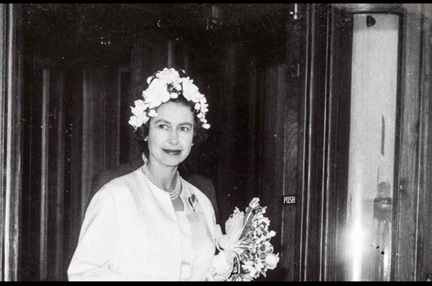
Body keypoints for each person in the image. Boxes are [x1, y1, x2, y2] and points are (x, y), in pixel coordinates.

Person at [67, 67, 231, 281]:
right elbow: (84, 274)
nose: (174, 139)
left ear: (194, 135)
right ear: (146, 131)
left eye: (183, 128)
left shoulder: (201, 201)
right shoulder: (115, 195)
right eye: (163, 126)